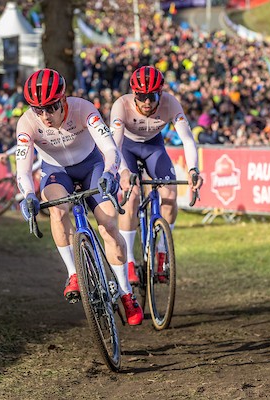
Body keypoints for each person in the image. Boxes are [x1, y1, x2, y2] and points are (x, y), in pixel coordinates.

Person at [15, 68, 143, 325]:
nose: (44, 115)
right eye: (37, 109)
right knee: (58, 210)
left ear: (62, 100)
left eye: (50, 107)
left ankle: (126, 293)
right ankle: (74, 273)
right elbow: (23, 170)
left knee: (107, 224)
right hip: (56, 171)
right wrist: (28, 194)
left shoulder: (83, 109)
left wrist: (109, 172)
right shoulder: (27, 123)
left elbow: (109, 149)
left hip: (92, 166)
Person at [110, 66, 201, 286]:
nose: (147, 102)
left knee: (169, 197)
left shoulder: (171, 103)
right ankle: (129, 260)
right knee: (130, 198)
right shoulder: (121, 105)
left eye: (152, 96)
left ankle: (161, 252)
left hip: (154, 147)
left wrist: (193, 169)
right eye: (141, 96)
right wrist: (122, 172)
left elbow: (187, 139)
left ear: (160, 93)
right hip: (127, 149)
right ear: (134, 94)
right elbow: (115, 145)